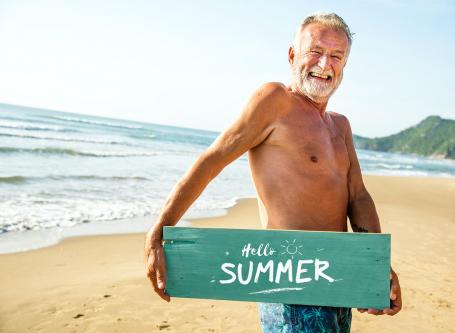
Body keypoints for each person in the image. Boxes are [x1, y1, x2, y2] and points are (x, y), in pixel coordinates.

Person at [144, 12, 402, 332]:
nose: (325, 64)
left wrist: (373, 265)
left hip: (336, 277)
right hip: (290, 281)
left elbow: (358, 196)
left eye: (336, 56)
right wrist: (158, 233)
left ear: (344, 65)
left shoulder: (340, 126)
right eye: (315, 51)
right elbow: (212, 161)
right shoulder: (275, 100)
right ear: (292, 55)